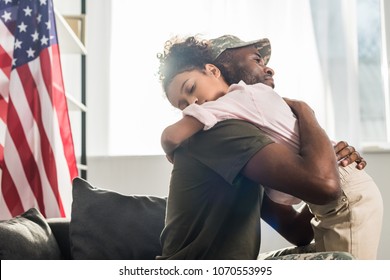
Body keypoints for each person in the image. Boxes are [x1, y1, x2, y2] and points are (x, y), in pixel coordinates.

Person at [159, 35, 383, 259]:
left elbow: (298, 229)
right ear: (219, 68)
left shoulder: (256, 136)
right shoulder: (221, 130)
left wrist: (330, 162)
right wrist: (304, 110)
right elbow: (326, 188)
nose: (269, 70)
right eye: (256, 60)